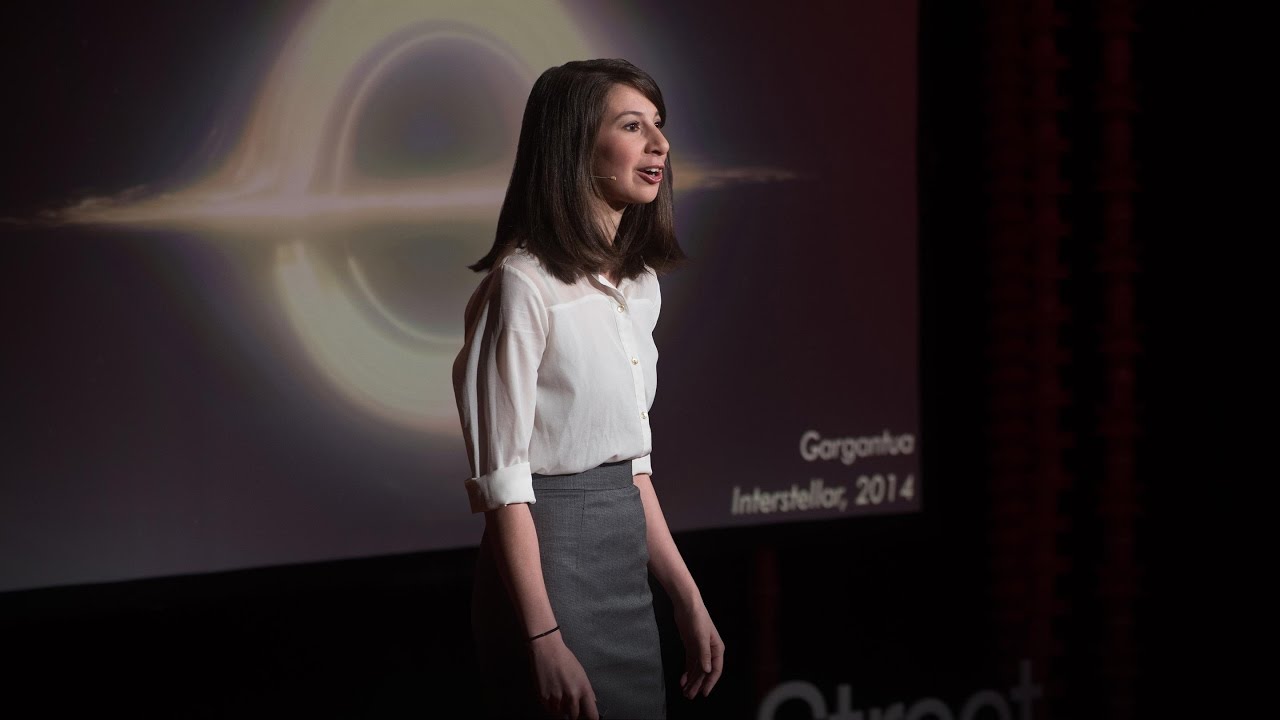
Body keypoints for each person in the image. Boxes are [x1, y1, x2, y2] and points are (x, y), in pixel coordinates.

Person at [452, 58, 724, 719]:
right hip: (549, 567)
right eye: (633, 126)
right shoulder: (523, 284)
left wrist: (688, 601)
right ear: (576, 146)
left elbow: (631, 466)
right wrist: (542, 636)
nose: (659, 144)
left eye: (659, 126)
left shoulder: (638, 287)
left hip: (621, 559)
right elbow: (505, 482)